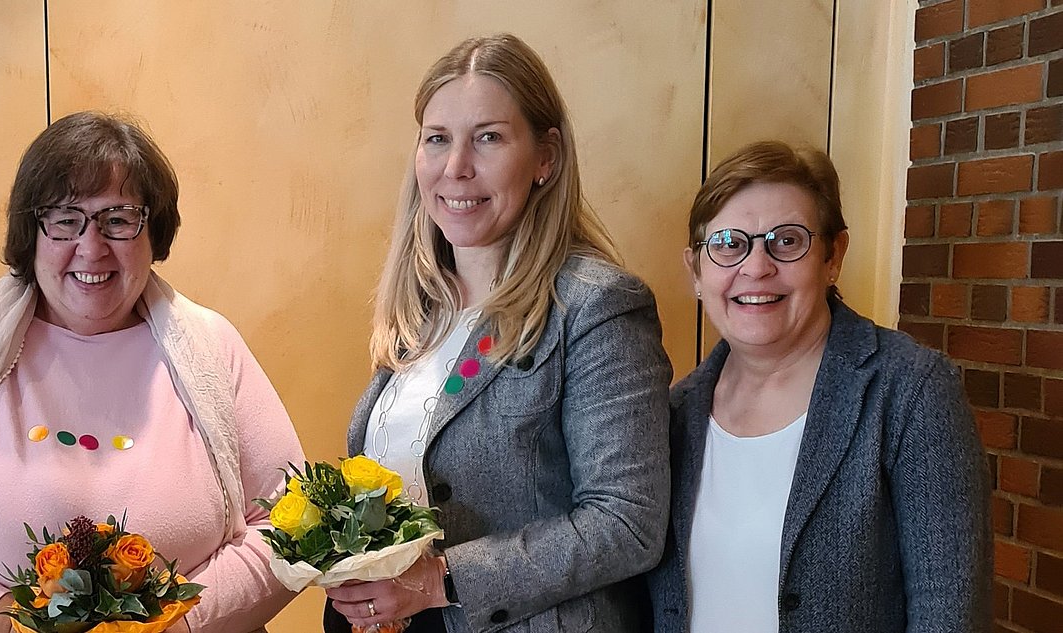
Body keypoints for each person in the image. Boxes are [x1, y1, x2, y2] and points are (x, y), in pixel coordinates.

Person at [0, 111, 305, 633]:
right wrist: (1, 623)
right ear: (31, 231)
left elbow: (290, 523)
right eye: (66, 219)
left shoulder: (213, 347)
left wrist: (178, 625)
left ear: (154, 230)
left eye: (119, 219)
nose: (91, 247)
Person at [328, 33, 670, 632]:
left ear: (546, 158)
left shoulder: (596, 307)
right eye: (438, 139)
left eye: (488, 138)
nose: (456, 167)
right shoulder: (420, 314)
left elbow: (627, 523)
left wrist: (441, 580)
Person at [645, 141, 989, 632]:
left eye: (786, 241)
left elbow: (950, 612)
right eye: (728, 243)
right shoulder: (674, 414)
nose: (756, 267)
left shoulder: (910, 391)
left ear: (833, 257)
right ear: (697, 271)